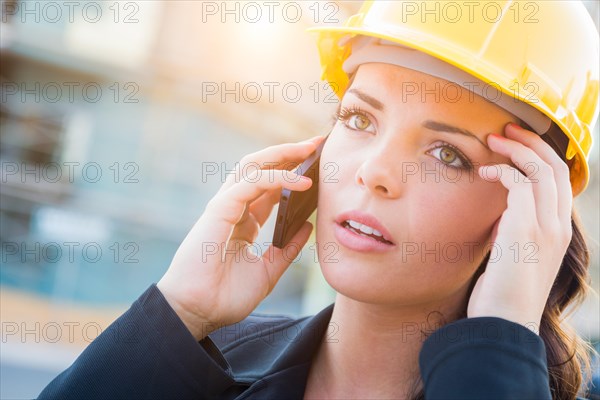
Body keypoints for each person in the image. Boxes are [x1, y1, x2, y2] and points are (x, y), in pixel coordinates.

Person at [38, 1, 598, 399]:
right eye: (358, 118)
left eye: (448, 154)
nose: (375, 171)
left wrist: (498, 347)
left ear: (524, 211)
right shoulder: (196, 363)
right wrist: (179, 314)